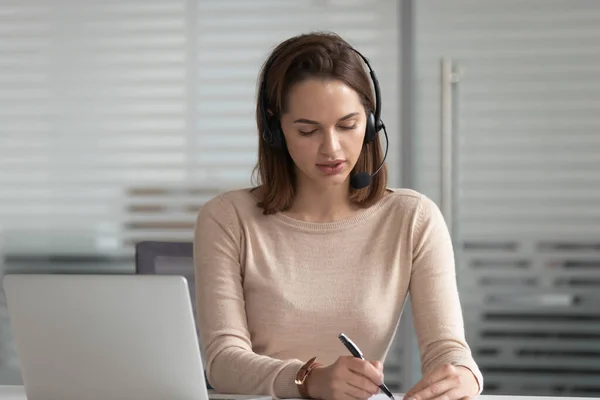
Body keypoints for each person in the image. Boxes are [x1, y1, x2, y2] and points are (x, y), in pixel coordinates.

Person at [193, 31, 483, 400]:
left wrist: (464, 376)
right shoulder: (227, 218)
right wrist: (308, 380)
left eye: (348, 125)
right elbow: (224, 362)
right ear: (275, 130)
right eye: (308, 130)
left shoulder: (413, 218)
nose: (331, 148)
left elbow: (448, 348)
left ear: (372, 124)